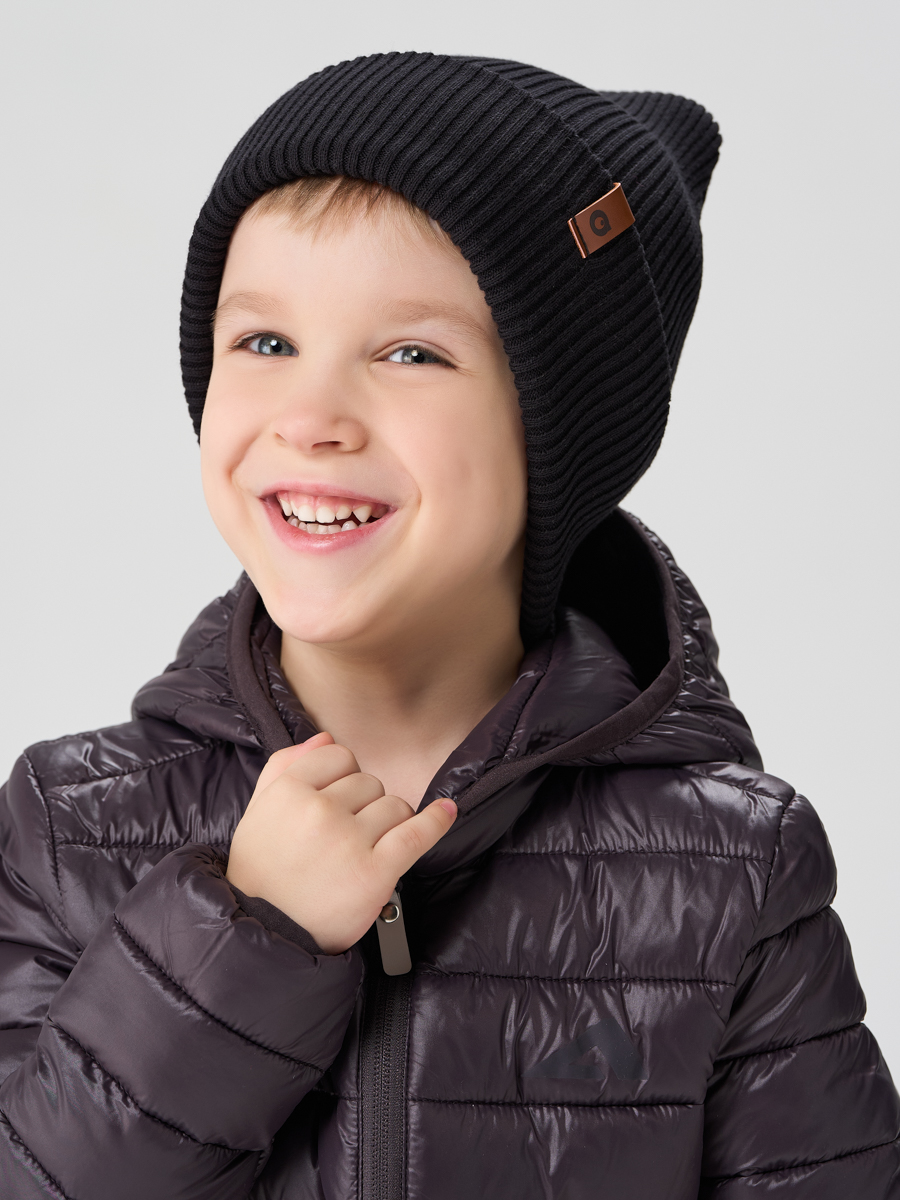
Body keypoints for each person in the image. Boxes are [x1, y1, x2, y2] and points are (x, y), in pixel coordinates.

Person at [0, 51, 896, 1200]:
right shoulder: (72, 829)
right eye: (265, 343)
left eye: (410, 353)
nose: (312, 415)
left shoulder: (730, 872)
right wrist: (243, 939)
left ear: (560, 436)